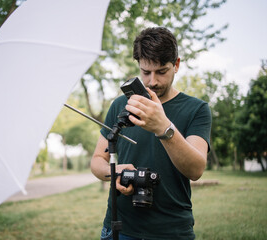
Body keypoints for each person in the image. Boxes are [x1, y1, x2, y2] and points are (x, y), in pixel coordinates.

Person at [91, 27, 212, 240]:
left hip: (172, 231)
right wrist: (116, 173)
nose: (152, 82)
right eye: (145, 72)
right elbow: (98, 160)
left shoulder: (197, 109)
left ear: (176, 64)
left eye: (162, 71)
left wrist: (162, 126)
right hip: (119, 228)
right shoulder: (121, 104)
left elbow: (196, 169)